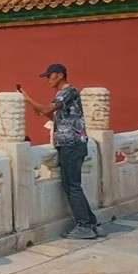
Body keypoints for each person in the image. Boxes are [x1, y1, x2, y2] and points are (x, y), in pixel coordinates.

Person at [20, 63, 100, 239]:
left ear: (59, 75)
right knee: (73, 185)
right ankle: (91, 223)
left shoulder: (67, 92)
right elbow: (55, 117)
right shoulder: (64, 94)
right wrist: (40, 109)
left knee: (72, 186)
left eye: (49, 76)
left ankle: (84, 226)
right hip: (71, 144)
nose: (47, 80)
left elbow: (47, 109)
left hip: (71, 144)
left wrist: (27, 99)